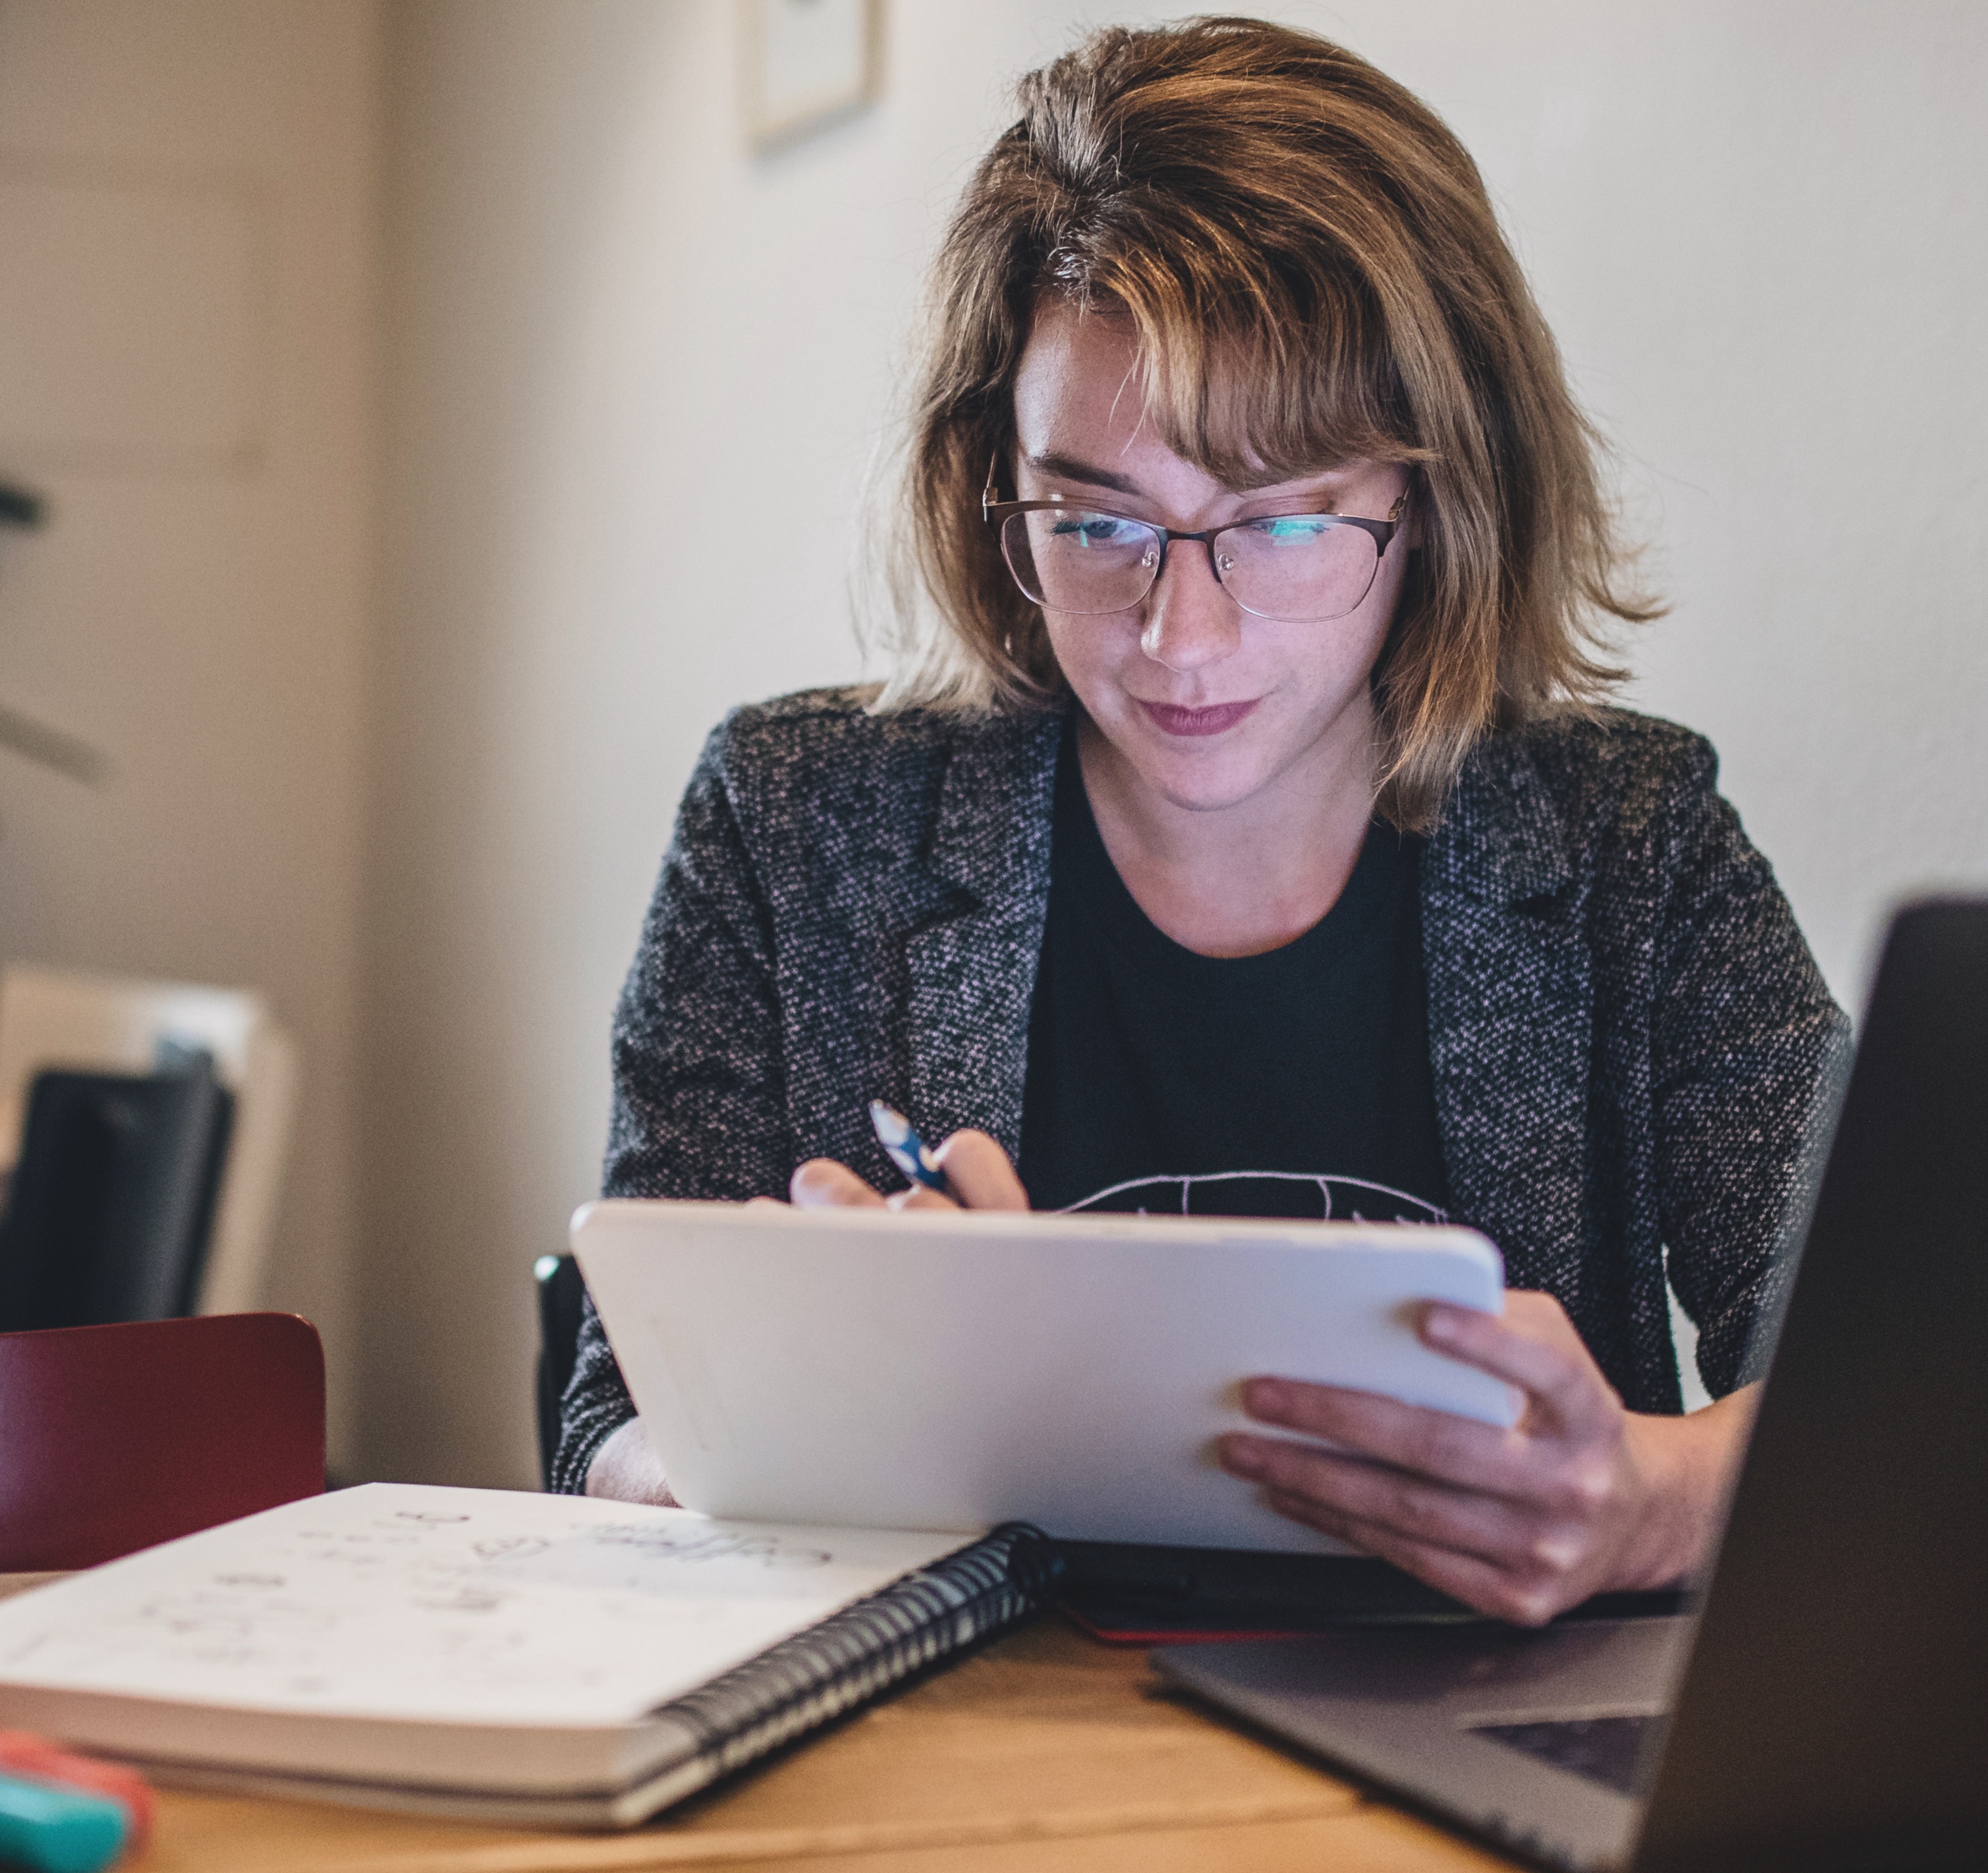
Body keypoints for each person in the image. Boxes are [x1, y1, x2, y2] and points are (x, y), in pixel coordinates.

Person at [552, 17, 1847, 1626]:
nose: (1179, 635)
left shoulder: (1627, 848)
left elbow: (1906, 1389)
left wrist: (1651, 1507)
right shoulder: (800, 821)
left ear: (1436, 500)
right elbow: (605, 1427)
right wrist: (835, 1421)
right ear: (993, 481)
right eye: (1096, 520)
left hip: (1484, 1749)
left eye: (1283, 519)